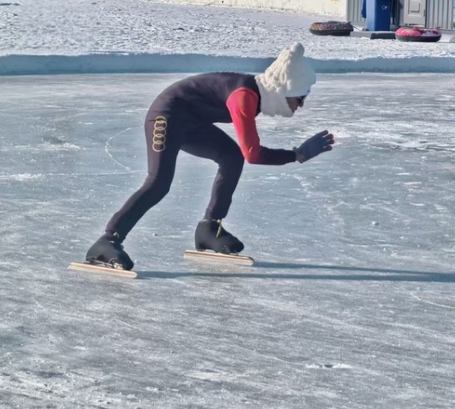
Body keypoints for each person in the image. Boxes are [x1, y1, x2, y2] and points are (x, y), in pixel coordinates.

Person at [84, 43, 335, 270]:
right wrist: (296, 155)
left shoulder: (254, 96)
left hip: (191, 122)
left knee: (230, 156)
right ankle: (108, 240)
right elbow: (253, 154)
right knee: (158, 182)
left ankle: (209, 229)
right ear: (284, 90)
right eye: (300, 98)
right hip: (166, 116)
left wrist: (295, 155)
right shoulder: (245, 97)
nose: (300, 105)